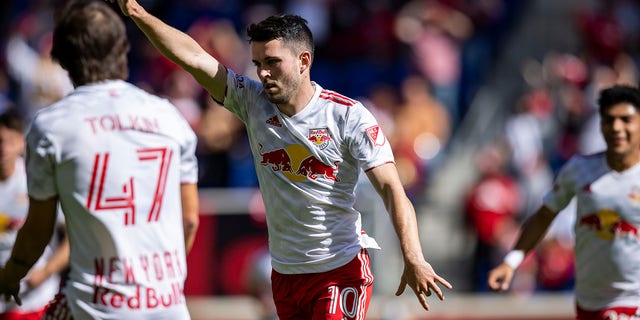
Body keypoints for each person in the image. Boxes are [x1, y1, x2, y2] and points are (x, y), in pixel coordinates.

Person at [110, 1, 452, 318]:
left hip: (338, 271)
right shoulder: (252, 102)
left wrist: (413, 256)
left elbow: (392, 188)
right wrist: (138, 13)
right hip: (285, 276)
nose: (263, 74)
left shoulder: (347, 117)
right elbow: (195, 58)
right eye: (258, 64)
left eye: (273, 62)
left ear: (304, 61)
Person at [0, 1, 200, 319]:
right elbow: (189, 220)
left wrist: (11, 275)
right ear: (122, 50)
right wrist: (164, 283)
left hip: (96, 306)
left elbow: (39, 228)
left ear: (61, 58)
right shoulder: (169, 117)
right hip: (166, 305)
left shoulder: (51, 125)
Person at [488, 84, 640, 319]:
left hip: (633, 298)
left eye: (626, 119)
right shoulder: (579, 170)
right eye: (610, 120)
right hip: (589, 300)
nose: (617, 127)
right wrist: (512, 261)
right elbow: (544, 215)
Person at [0, 109, 70, 320]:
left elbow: (72, 238)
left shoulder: (35, 182)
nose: (3, 149)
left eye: (9, 141)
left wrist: (45, 272)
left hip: (35, 300)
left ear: (22, 143)